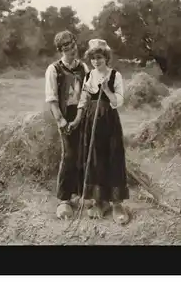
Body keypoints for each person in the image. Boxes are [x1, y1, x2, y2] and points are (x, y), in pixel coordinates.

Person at [68, 39, 130, 225]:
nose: (96, 61)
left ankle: (117, 205)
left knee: (112, 157)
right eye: (93, 58)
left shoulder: (114, 75)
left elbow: (118, 102)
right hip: (91, 122)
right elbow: (84, 99)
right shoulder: (89, 76)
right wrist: (78, 119)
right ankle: (99, 202)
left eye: (100, 57)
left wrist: (107, 91)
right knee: (94, 159)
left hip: (109, 123)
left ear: (106, 58)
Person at [44, 30, 90, 219]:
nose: (72, 50)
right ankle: (64, 199)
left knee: (82, 153)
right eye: (66, 48)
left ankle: (79, 194)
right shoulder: (54, 69)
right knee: (69, 154)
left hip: (80, 113)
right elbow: (52, 98)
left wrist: (80, 116)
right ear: (60, 50)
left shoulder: (83, 68)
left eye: (73, 45)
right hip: (64, 114)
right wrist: (61, 121)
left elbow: (86, 94)